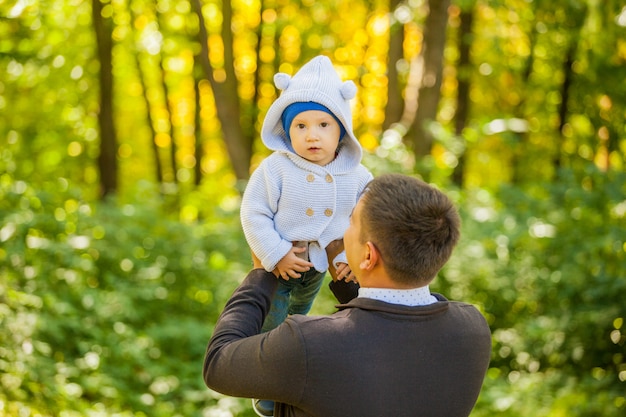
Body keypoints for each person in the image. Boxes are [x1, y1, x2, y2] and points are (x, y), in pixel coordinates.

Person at [204, 173, 492, 417]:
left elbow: (218, 364)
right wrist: (348, 288)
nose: (342, 231)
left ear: (369, 254)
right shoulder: (472, 329)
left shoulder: (307, 345)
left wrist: (263, 270)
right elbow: (377, 346)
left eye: (351, 221)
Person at [240, 55, 372, 333]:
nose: (312, 135)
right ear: (287, 131)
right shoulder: (276, 168)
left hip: (320, 265)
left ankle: (290, 354)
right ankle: (264, 363)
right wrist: (275, 253)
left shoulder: (358, 175)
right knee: (269, 322)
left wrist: (351, 255)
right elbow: (254, 212)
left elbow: (368, 221)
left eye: (324, 125)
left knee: (298, 317)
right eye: (301, 126)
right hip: (279, 263)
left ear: (342, 130)